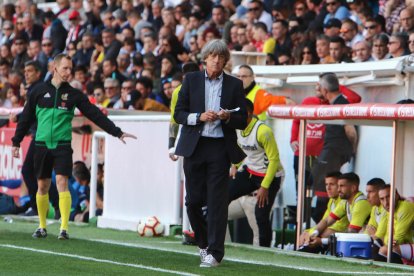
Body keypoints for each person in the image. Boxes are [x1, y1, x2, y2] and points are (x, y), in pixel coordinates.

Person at [11, 53, 136, 240]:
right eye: (65, 68)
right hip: (41, 145)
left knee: (62, 181)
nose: (69, 72)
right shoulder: (37, 91)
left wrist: (116, 132)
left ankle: (63, 228)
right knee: (42, 186)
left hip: (62, 145)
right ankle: (42, 226)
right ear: (55, 68)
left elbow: (95, 114)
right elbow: (26, 117)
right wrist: (16, 142)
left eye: (71, 69)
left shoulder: (74, 94)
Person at [174, 39, 247, 267]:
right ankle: (204, 245)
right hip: (194, 147)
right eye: (212, 56)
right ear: (205, 58)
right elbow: (179, 114)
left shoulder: (235, 85)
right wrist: (199, 117)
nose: (216, 60)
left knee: (217, 202)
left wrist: (228, 117)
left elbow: (243, 119)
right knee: (192, 202)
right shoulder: (191, 80)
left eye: (221, 57)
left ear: (226, 60)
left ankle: (215, 253)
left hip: (219, 148)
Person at [228, 99, 283, 247]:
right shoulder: (237, 127)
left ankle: (265, 251)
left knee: (261, 214)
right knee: (222, 196)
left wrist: (264, 187)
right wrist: (235, 165)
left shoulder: (263, 131)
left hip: (270, 176)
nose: (236, 117)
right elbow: (240, 148)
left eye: (239, 114)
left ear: (249, 113)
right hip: (251, 172)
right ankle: (216, 241)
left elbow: (274, 160)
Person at [311, 73, 358, 221]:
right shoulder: (338, 103)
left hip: (334, 153)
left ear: (325, 90)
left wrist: (352, 150)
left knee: (325, 189)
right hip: (333, 153)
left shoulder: (341, 104)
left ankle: (324, 221)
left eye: (319, 87)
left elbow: (350, 130)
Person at [308, 173, 371, 251]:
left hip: (366, 244)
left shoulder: (361, 203)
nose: (338, 190)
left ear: (353, 188)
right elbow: (327, 220)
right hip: (357, 242)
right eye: (338, 186)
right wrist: (315, 233)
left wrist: (322, 241)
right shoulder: (345, 201)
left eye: (342, 186)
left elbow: (351, 233)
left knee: (327, 237)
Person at [298, 172, 348, 251]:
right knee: (306, 235)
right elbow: (324, 221)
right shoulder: (332, 201)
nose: (328, 188)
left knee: (324, 234)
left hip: (342, 239)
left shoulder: (344, 201)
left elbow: (336, 228)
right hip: (330, 238)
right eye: (326, 184)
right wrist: (308, 232)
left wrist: (315, 236)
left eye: (332, 184)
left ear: (339, 186)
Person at [374, 185, 414, 264]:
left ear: (396, 195)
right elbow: (379, 235)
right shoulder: (387, 210)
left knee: (387, 249)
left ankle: (402, 273)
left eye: (388, 197)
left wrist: (386, 242)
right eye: (382, 199)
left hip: (409, 244)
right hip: (407, 246)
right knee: (377, 245)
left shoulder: (405, 207)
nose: (386, 203)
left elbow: (398, 239)